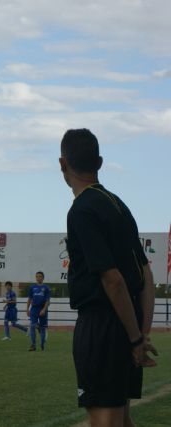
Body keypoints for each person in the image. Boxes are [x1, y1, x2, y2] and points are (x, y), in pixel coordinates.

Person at [59, 128, 157, 426]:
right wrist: (141, 333)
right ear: (99, 163)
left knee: (105, 419)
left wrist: (135, 337)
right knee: (120, 417)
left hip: (103, 327)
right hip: (126, 325)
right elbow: (146, 276)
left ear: (62, 163)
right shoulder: (118, 205)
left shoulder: (82, 210)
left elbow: (112, 279)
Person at [26, 271, 50, 351]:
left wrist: (44, 309)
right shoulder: (32, 287)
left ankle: (42, 344)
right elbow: (29, 299)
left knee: (43, 329)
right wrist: (27, 309)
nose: (38, 278)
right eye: (37, 276)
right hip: (34, 309)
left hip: (42, 309)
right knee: (32, 326)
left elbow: (47, 300)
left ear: (43, 278)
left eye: (40, 276)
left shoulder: (46, 288)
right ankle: (33, 345)